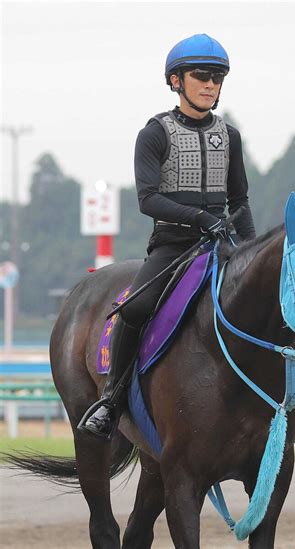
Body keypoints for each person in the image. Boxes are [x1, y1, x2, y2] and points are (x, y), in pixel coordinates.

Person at [79, 34, 256, 439]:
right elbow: (148, 199)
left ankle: (291, 406)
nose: (211, 84)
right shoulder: (155, 133)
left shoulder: (230, 137)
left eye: (218, 78)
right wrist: (198, 218)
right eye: (202, 76)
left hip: (222, 246)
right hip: (174, 246)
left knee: (270, 299)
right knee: (135, 309)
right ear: (176, 81)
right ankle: (111, 399)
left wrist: (249, 249)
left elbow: (240, 199)